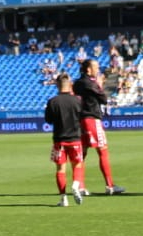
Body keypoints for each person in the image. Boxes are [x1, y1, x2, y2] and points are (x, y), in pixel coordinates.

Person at [73, 58, 125, 195]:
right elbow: (103, 99)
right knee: (103, 150)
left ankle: (80, 186)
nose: (98, 70)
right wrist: (100, 83)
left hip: (80, 120)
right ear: (89, 69)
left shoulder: (77, 83)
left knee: (81, 155)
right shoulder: (91, 83)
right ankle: (110, 186)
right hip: (92, 119)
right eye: (95, 67)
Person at [44, 73, 86, 207]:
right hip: (75, 138)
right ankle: (76, 184)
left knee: (60, 169)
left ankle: (63, 198)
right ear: (70, 85)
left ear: (57, 85)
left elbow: (48, 120)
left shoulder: (52, 101)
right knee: (77, 164)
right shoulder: (78, 100)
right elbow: (82, 117)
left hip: (59, 139)